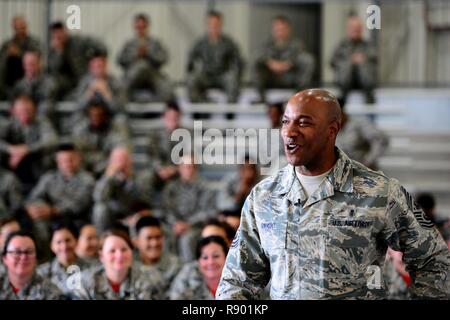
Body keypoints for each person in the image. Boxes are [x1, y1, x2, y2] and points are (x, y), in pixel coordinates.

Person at [217, 89, 450, 300]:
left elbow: (434, 260)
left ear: (332, 130)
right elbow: (237, 280)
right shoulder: (264, 196)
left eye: (303, 123)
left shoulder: (379, 192)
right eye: (286, 122)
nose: (290, 132)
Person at [72, 229, 164, 300]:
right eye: (112, 251)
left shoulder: (148, 279)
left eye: (124, 249)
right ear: (101, 256)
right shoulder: (84, 282)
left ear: (132, 252)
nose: (119, 255)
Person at [162, 154, 217, 262]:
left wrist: (188, 224)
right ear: (180, 169)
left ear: (196, 169)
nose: (189, 170)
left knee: (186, 240)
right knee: (164, 237)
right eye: (186, 167)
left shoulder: (204, 187)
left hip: (196, 227)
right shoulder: (171, 188)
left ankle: (190, 269)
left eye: (192, 167)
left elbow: (207, 212)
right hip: (173, 226)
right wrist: (176, 224)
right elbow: (167, 210)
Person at [0, 95, 58, 193]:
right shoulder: (6, 122)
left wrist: (26, 149)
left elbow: (51, 140)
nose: (25, 114)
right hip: (9, 162)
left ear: (34, 110)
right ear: (13, 111)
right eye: (21, 111)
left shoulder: (41, 121)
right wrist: (11, 149)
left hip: (35, 162)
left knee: (49, 156)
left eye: (28, 110)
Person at [186, 10, 243, 103]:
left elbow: (239, 61)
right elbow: (190, 61)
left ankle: (229, 113)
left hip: (223, 75)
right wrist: (191, 72)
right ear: (207, 25)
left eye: (216, 24)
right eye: (211, 24)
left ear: (220, 25)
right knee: (192, 80)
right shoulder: (200, 43)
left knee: (232, 80)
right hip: (206, 75)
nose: (213, 27)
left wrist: (237, 75)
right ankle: (200, 111)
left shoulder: (228, 43)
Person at [255, 15, 315, 103]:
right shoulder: (266, 44)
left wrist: (288, 63)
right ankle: (261, 98)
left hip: (290, 77)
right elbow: (257, 56)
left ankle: (299, 98)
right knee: (256, 62)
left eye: (282, 29)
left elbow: (303, 57)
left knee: (308, 60)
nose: (280, 32)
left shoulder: (296, 44)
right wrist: (270, 62)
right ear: (273, 30)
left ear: (288, 29)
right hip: (271, 77)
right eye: (277, 29)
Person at [92, 147, 150, 232]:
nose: (120, 163)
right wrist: (108, 177)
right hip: (111, 217)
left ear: (130, 161)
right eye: (117, 159)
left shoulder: (139, 178)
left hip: (132, 215)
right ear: (110, 162)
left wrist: (129, 179)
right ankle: (102, 238)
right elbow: (98, 197)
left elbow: (145, 202)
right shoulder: (107, 178)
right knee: (99, 208)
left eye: (123, 159)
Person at [118, 13, 173, 102]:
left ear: (147, 26)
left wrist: (149, 54)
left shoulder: (155, 43)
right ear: (135, 27)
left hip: (152, 74)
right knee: (120, 87)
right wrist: (135, 55)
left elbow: (164, 58)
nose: (141, 30)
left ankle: (156, 108)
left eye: (143, 27)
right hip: (133, 76)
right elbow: (120, 60)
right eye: (138, 27)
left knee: (167, 89)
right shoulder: (129, 44)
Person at [48, 21, 107, 99]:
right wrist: (59, 51)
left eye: (60, 32)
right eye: (56, 34)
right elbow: (53, 70)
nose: (59, 36)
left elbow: (101, 47)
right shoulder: (54, 49)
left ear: (65, 31)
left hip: (84, 77)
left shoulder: (78, 41)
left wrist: (94, 60)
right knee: (52, 84)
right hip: (67, 82)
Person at [72, 99, 131, 177]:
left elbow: (120, 148)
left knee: (121, 157)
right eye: (92, 115)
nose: (96, 118)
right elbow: (78, 154)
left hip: (109, 169)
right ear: (88, 115)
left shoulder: (114, 129)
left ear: (105, 115)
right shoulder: (80, 131)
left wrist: (108, 166)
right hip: (86, 169)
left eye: (99, 115)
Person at [0, 230, 64, 299]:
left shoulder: (52, 293)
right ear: (5, 258)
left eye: (29, 251)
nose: (23, 257)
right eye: (17, 252)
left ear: (36, 258)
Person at [330, 15, 377, 105]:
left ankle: (368, 95)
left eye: (357, 28)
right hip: (345, 81)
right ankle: (343, 95)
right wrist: (349, 60)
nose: (355, 30)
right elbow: (332, 61)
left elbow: (374, 60)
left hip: (364, 80)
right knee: (346, 64)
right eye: (353, 28)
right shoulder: (341, 45)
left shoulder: (368, 45)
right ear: (348, 29)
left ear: (361, 29)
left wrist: (362, 60)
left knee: (363, 63)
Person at [37, 221, 89, 296]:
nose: (64, 246)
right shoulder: (41, 273)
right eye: (59, 242)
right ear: (51, 246)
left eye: (68, 240)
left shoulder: (92, 268)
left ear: (76, 241)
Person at [133, 216, 181, 296]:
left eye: (158, 237)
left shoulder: (175, 265)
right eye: (149, 238)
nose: (154, 243)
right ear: (136, 241)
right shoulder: (129, 266)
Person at [169, 235, 228, 300]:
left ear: (226, 258)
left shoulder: (237, 285)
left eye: (216, 256)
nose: (210, 262)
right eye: (205, 257)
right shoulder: (190, 288)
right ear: (198, 262)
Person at [0, 16, 41, 98]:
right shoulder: (7, 44)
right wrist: (8, 55)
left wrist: (20, 54)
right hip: (9, 80)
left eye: (22, 27)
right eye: (17, 28)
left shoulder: (34, 42)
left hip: (27, 79)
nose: (20, 31)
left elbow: (37, 59)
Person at [75, 52, 126, 117]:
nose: (98, 70)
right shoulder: (85, 82)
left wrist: (106, 93)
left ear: (105, 66)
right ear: (90, 68)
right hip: (89, 117)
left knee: (120, 120)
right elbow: (78, 107)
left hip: (109, 116)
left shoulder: (114, 82)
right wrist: (89, 92)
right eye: (95, 67)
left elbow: (119, 109)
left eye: (100, 66)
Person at [13, 50, 57, 121]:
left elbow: (46, 107)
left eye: (32, 64)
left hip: (41, 121)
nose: (28, 67)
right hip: (20, 122)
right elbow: (14, 108)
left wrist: (29, 115)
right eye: (26, 64)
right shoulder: (19, 85)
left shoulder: (50, 83)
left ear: (39, 64)